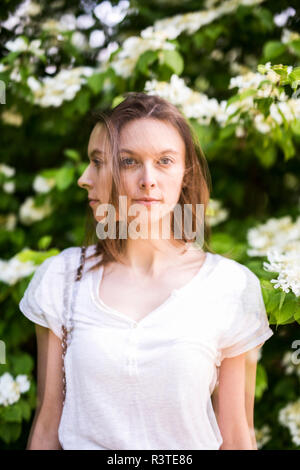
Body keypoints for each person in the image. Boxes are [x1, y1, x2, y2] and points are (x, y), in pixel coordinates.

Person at [19, 92, 274, 450]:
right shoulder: (61, 278)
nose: (148, 179)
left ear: (186, 173)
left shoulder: (230, 286)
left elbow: (236, 436)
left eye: (165, 161)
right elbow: (47, 427)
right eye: (128, 162)